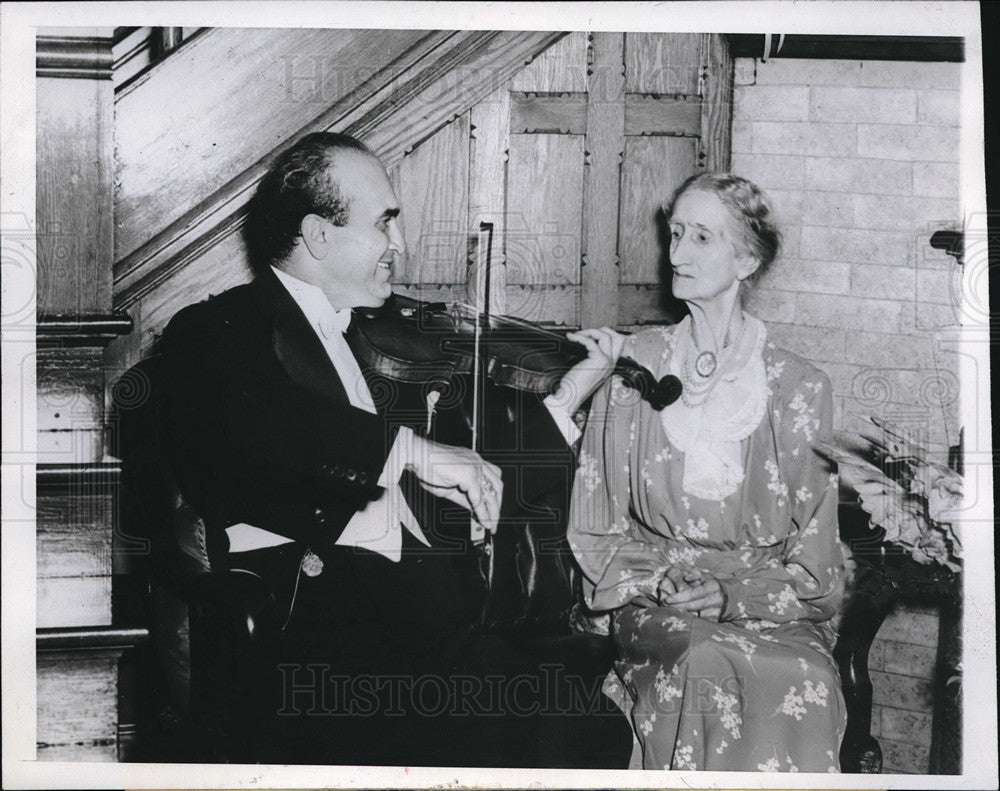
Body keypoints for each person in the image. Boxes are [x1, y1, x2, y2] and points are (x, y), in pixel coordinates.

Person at [155, 131, 626, 766]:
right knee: (568, 734)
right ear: (319, 235)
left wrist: (566, 398)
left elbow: (478, 467)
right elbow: (256, 425)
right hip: (327, 639)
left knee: (594, 725)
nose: (400, 246)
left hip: (421, 619)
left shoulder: (370, 336)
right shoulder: (218, 329)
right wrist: (408, 452)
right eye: (385, 223)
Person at [567, 173, 847, 772]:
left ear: (747, 260)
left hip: (767, 608)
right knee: (701, 661)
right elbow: (594, 525)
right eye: (675, 234)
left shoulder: (801, 387)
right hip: (660, 599)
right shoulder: (632, 366)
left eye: (701, 238)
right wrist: (661, 581)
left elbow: (816, 561)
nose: (678, 254)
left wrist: (735, 594)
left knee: (804, 679)